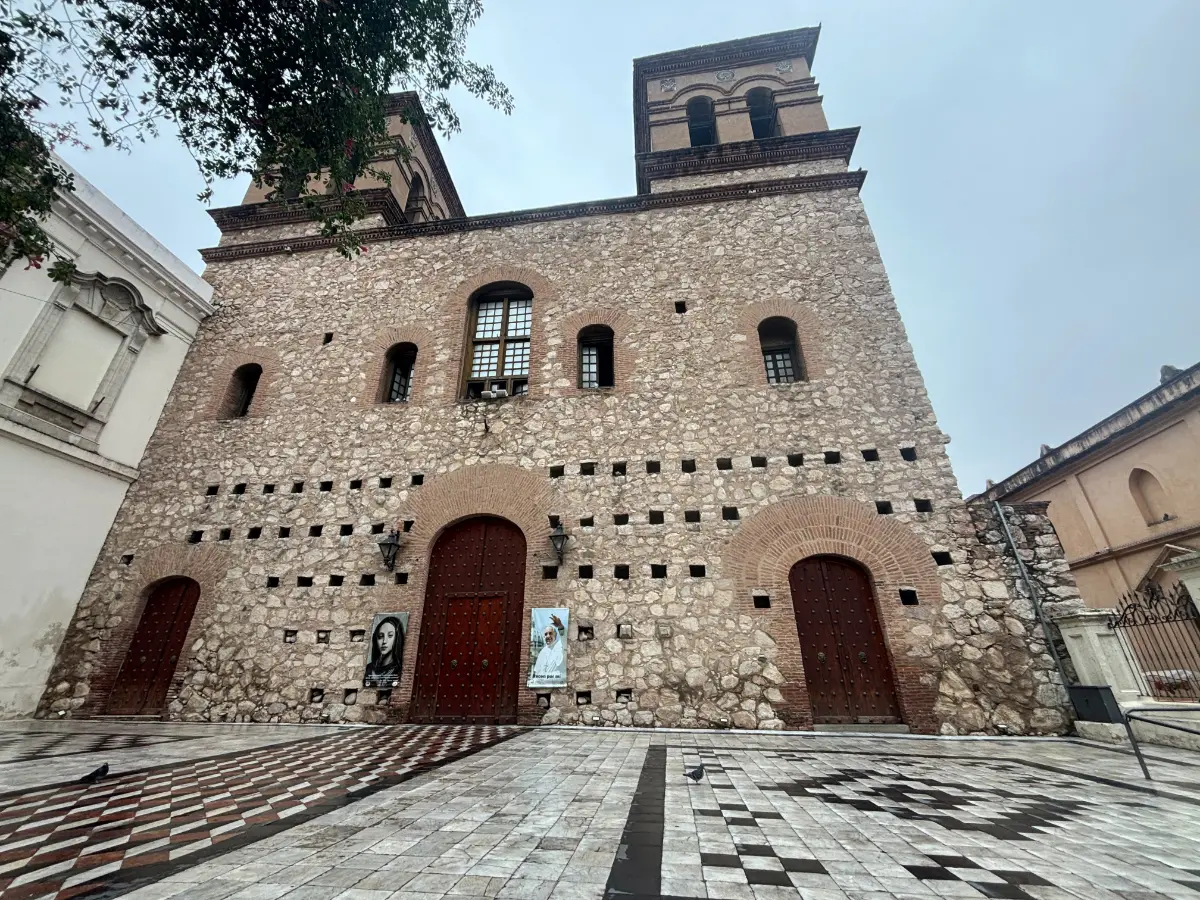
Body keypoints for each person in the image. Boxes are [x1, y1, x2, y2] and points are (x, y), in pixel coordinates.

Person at [364, 615, 404, 688]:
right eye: (380, 636)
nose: (384, 641)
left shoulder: (399, 669)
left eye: (390, 635)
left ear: (397, 638)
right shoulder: (369, 669)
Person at [532, 613, 566, 681]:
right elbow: (536, 672)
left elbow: (563, 635)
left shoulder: (561, 645)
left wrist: (560, 626)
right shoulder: (542, 652)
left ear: (555, 635)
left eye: (550, 633)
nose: (548, 636)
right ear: (544, 637)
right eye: (545, 634)